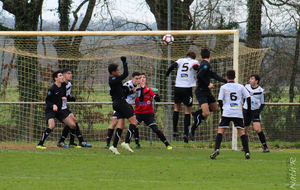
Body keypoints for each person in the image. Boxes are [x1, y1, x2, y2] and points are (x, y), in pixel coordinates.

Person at [210, 69, 251, 160]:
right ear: (235, 77)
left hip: (227, 112)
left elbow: (220, 100)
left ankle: (217, 149)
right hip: (238, 111)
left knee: (220, 131)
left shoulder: (223, 87)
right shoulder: (240, 87)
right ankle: (247, 152)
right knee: (241, 132)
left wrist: (222, 110)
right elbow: (248, 97)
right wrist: (247, 108)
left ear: (226, 77)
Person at [189, 48, 227, 141]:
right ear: (210, 55)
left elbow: (212, 74)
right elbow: (199, 76)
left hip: (207, 92)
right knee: (206, 113)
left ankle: (196, 113)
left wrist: (225, 81)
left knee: (215, 108)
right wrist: (208, 84)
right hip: (201, 92)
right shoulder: (205, 65)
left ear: (201, 56)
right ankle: (192, 129)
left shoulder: (207, 65)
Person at [36, 70, 77, 149]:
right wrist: (53, 105)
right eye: (60, 76)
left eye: (62, 75)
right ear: (56, 79)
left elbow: (64, 96)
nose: (62, 77)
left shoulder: (63, 86)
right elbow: (47, 100)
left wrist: (66, 98)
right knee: (51, 126)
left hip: (59, 110)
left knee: (72, 125)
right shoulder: (52, 89)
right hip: (50, 110)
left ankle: (71, 143)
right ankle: (40, 144)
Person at [165, 51, 200, 143]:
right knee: (187, 111)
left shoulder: (180, 60)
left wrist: (167, 73)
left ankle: (175, 130)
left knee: (176, 109)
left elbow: (172, 66)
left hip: (177, 87)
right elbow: (196, 67)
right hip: (187, 88)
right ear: (194, 57)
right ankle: (185, 133)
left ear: (186, 56)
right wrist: (197, 70)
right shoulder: (195, 61)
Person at [133, 72, 172, 150]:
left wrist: (157, 97)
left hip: (148, 114)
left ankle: (167, 144)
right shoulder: (135, 90)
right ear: (137, 80)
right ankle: (137, 144)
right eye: (140, 77)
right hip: (138, 113)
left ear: (146, 80)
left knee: (155, 129)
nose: (142, 79)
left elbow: (156, 99)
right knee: (134, 126)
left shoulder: (149, 90)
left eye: (144, 77)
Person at [108, 56, 138, 155]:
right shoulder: (113, 79)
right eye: (117, 70)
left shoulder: (114, 81)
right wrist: (124, 62)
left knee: (121, 126)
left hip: (117, 103)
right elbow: (126, 74)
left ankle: (114, 146)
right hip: (121, 103)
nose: (118, 71)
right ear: (113, 72)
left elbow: (121, 93)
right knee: (134, 122)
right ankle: (126, 142)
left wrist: (130, 91)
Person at [57, 68, 92, 148]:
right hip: (60, 108)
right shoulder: (60, 85)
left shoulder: (69, 84)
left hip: (64, 107)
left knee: (73, 122)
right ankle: (78, 141)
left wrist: (71, 98)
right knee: (72, 122)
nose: (71, 75)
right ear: (64, 76)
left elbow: (66, 96)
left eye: (71, 73)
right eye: (69, 73)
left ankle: (72, 142)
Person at [105, 72, 141, 149]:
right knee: (115, 122)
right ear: (132, 79)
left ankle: (116, 145)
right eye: (136, 78)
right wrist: (131, 92)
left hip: (127, 106)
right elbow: (122, 94)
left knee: (124, 125)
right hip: (123, 105)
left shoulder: (139, 87)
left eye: (139, 78)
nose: (138, 80)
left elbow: (141, 98)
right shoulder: (127, 84)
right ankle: (109, 143)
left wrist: (142, 89)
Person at [243, 74, 269, 153]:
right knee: (244, 130)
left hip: (255, 112)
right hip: (246, 111)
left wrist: (258, 111)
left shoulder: (261, 90)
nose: (250, 80)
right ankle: (245, 147)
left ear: (256, 81)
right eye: (250, 79)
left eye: (252, 79)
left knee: (257, 129)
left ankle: (265, 147)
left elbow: (262, 103)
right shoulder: (246, 87)